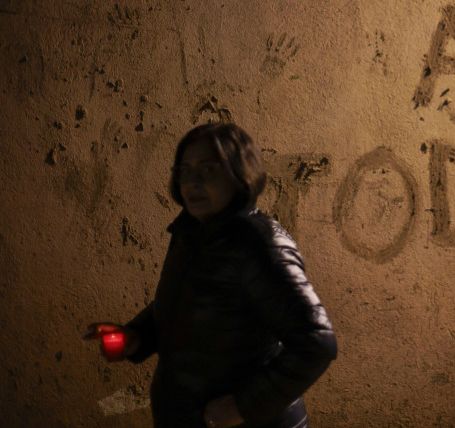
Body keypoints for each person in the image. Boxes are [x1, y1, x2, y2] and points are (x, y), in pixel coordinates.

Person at [84, 123, 337, 428]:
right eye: (185, 170)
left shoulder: (260, 243)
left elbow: (317, 341)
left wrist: (244, 407)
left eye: (207, 169)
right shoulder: (191, 233)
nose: (192, 182)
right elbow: (188, 305)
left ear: (238, 173)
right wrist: (136, 336)